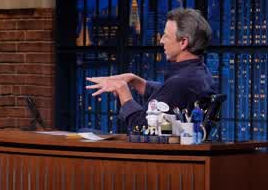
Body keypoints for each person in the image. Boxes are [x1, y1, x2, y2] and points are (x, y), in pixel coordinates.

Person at [86, 8, 218, 131]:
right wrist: (134, 80)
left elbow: (143, 128)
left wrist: (122, 90)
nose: (161, 41)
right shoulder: (200, 73)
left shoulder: (180, 82)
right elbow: (167, 94)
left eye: (166, 36)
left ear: (183, 42)